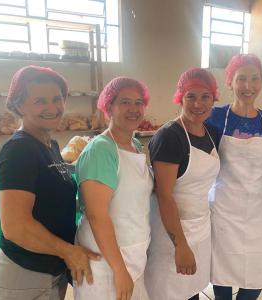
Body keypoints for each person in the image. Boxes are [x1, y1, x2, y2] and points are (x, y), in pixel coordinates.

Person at [0, 65, 100, 300]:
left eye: (57, 99)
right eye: (40, 101)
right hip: (24, 273)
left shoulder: (50, 146)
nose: (52, 108)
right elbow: (15, 226)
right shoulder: (18, 150)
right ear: (19, 105)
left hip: (51, 271)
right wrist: (69, 252)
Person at [74, 77, 153, 300]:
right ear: (109, 106)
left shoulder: (134, 145)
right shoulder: (101, 150)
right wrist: (119, 271)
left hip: (132, 253)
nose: (134, 109)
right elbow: (97, 216)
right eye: (125, 102)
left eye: (139, 102)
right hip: (106, 261)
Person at [145, 68, 220, 300]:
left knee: (191, 290)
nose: (198, 104)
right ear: (180, 98)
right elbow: (164, 195)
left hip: (200, 225)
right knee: (171, 292)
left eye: (205, 96)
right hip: (172, 233)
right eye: (191, 96)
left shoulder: (211, 132)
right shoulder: (169, 136)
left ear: (213, 99)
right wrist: (180, 245)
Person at [206, 54, 262, 300]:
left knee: (256, 271)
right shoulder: (214, 116)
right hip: (223, 206)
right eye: (241, 78)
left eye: (255, 78)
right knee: (222, 269)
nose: (248, 86)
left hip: (258, 210)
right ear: (230, 82)